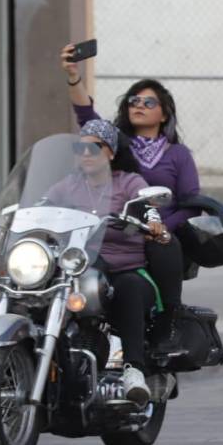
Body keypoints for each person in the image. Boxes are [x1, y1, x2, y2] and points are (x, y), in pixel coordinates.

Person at [61, 46, 199, 343]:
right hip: (112, 226)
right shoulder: (114, 142)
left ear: (164, 113)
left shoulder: (178, 154)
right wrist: (73, 75)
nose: (139, 105)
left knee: (165, 246)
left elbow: (191, 203)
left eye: (149, 102)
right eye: (133, 101)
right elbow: (87, 117)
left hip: (156, 229)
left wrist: (158, 228)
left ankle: (168, 319)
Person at [44, 120, 167, 407]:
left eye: (95, 147)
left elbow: (148, 207)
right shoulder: (69, 185)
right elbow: (41, 205)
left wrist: (153, 221)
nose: (86, 154)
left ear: (110, 152)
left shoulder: (129, 182)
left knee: (129, 289)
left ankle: (133, 370)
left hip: (124, 269)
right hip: (78, 268)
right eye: (80, 148)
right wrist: (3, 216)